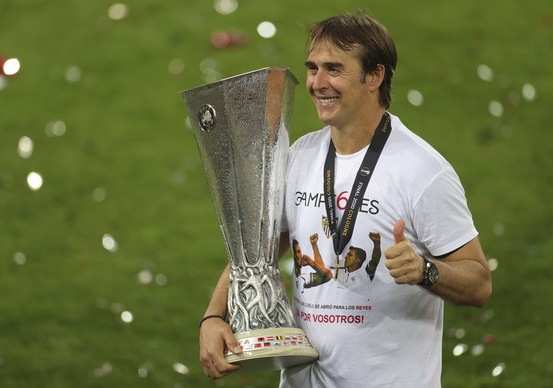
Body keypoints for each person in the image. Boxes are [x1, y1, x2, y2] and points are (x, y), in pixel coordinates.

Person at [198, 10, 492, 387]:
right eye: (313, 68)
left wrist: (425, 271)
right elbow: (258, 250)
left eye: (333, 69)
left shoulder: (422, 171)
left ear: (375, 76)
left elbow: (479, 283)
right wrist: (214, 316)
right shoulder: (299, 157)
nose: (317, 83)